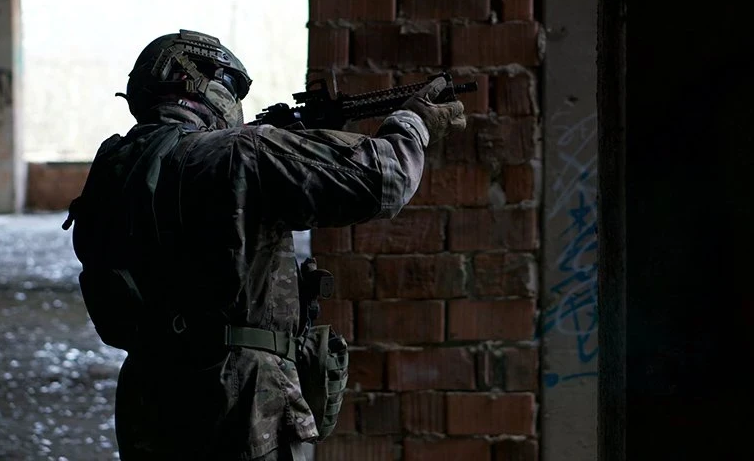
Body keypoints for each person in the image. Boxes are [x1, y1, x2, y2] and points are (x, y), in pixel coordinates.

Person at [62, 29, 465, 460]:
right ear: (191, 79)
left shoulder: (113, 167)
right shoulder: (241, 152)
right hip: (242, 403)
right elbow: (386, 177)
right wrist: (413, 123)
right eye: (230, 84)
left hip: (150, 398)